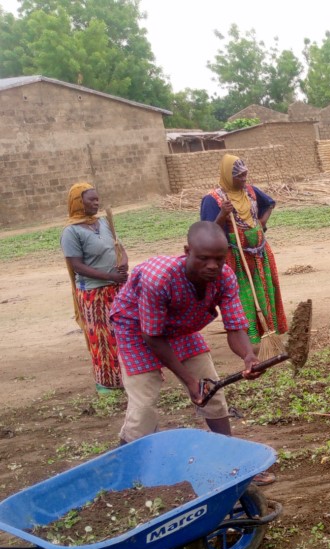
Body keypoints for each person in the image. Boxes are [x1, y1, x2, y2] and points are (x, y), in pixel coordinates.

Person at [109, 221, 274, 484]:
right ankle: (120, 474)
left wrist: (248, 356)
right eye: (203, 258)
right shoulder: (159, 279)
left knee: (213, 394)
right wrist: (188, 380)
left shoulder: (225, 277)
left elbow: (235, 327)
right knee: (143, 408)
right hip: (137, 330)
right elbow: (152, 336)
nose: (212, 266)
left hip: (182, 326)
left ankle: (230, 463)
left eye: (218, 259)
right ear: (187, 251)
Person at [200, 154, 288, 347]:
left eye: (245, 175)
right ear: (227, 176)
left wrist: (262, 222)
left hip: (259, 252)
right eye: (239, 176)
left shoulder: (250, 191)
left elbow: (270, 203)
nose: (244, 179)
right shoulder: (213, 200)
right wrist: (223, 214)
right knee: (242, 295)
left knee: (265, 290)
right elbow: (207, 231)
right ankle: (248, 337)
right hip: (235, 257)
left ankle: (269, 328)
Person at [60, 183, 128, 394]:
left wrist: (124, 262)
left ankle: (128, 377)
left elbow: (119, 246)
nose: (97, 203)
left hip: (117, 287)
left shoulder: (104, 223)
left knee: (124, 334)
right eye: (91, 200)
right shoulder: (71, 232)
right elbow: (77, 266)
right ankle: (106, 383)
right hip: (94, 293)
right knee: (102, 337)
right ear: (79, 203)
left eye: (97, 199)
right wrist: (109, 276)